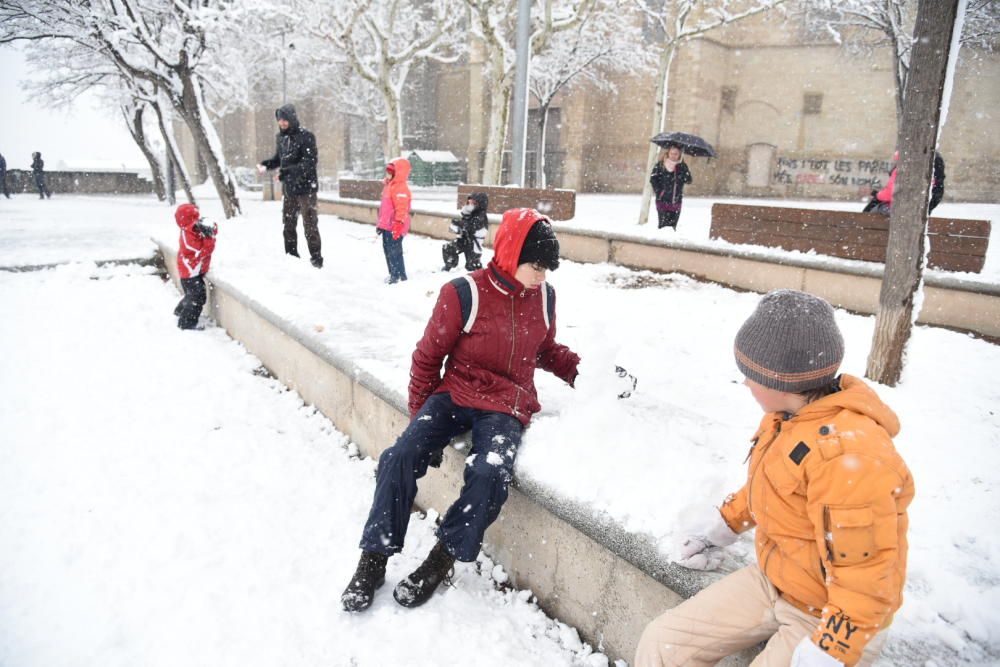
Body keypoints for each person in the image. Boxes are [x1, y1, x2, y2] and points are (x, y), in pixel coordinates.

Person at [635, 289, 914, 667]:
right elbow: (771, 489)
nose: (746, 384)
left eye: (750, 376)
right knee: (663, 646)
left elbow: (866, 577)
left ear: (781, 380)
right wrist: (721, 527)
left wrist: (830, 650)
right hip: (776, 581)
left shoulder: (849, 457)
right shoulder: (789, 418)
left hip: (830, 613)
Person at [341, 208, 581, 613]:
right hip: (455, 394)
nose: (542, 275)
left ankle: (441, 559)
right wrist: (421, 420)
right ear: (510, 253)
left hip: (507, 405)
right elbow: (426, 358)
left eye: (547, 268)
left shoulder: (544, 297)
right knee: (400, 456)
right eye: (535, 266)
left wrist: (585, 375)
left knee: (490, 473)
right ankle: (374, 558)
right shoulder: (464, 293)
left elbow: (543, 348)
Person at [258, 104, 323, 268]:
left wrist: (286, 173)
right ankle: (291, 257)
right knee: (288, 224)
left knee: (310, 225)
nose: (282, 123)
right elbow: (279, 159)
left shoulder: (306, 136)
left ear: (292, 119)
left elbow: (309, 163)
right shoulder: (280, 138)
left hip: (306, 189)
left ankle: (316, 259)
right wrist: (266, 165)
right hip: (290, 189)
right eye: (279, 120)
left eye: (285, 120)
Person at [173, 203, 218, 330]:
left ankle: (180, 311)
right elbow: (203, 250)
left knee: (191, 295)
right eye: (194, 217)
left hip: (193, 272)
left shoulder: (194, 229)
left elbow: (211, 230)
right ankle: (186, 323)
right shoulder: (186, 236)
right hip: (189, 273)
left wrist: (210, 227)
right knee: (197, 297)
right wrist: (209, 237)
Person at [863, 150, 945, 215]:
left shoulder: (904, 167)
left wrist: (876, 195)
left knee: (870, 213)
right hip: (921, 209)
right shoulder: (933, 161)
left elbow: (891, 193)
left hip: (901, 210)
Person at [376, 157, 412, 284]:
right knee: (388, 250)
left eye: (391, 172)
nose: (388, 174)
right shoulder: (389, 185)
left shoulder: (400, 188)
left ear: (399, 173)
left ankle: (398, 276)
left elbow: (401, 209)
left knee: (394, 251)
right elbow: (385, 209)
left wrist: (398, 224)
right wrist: (381, 225)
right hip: (387, 226)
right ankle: (394, 273)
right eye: (387, 171)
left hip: (396, 226)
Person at [442, 192, 489, 272]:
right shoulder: (470, 213)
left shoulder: (481, 215)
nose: (470, 204)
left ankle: (477, 267)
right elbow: (465, 224)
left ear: (479, 204)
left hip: (473, 243)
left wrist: (460, 224)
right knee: (449, 247)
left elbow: (472, 226)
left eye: (473, 203)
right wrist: (458, 226)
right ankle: (450, 263)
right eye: (469, 202)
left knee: (471, 265)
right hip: (464, 239)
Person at [650, 144, 692, 230]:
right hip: (662, 200)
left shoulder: (682, 166)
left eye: (676, 154)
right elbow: (653, 179)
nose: (673, 155)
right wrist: (659, 191)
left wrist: (683, 171)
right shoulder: (661, 165)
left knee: (673, 227)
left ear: (679, 154)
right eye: (672, 153)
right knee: (663, 226)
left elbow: (689, 180)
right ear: (668, 153)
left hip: (676, 201)